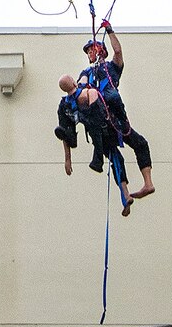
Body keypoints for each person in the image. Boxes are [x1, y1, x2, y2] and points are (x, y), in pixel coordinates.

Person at [53, 20, 155, 211]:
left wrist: (109, 30)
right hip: (100, 119)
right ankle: (125, 195)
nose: (90, 53)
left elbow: (118, 52)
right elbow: (80, 85)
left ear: (101, 51)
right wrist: (67, 158)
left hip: (114, 119)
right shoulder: (87, 73)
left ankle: (144, 186)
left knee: (136, 145)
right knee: (117, 156)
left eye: (93, 49)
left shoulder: (111, 68)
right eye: (89, 51)